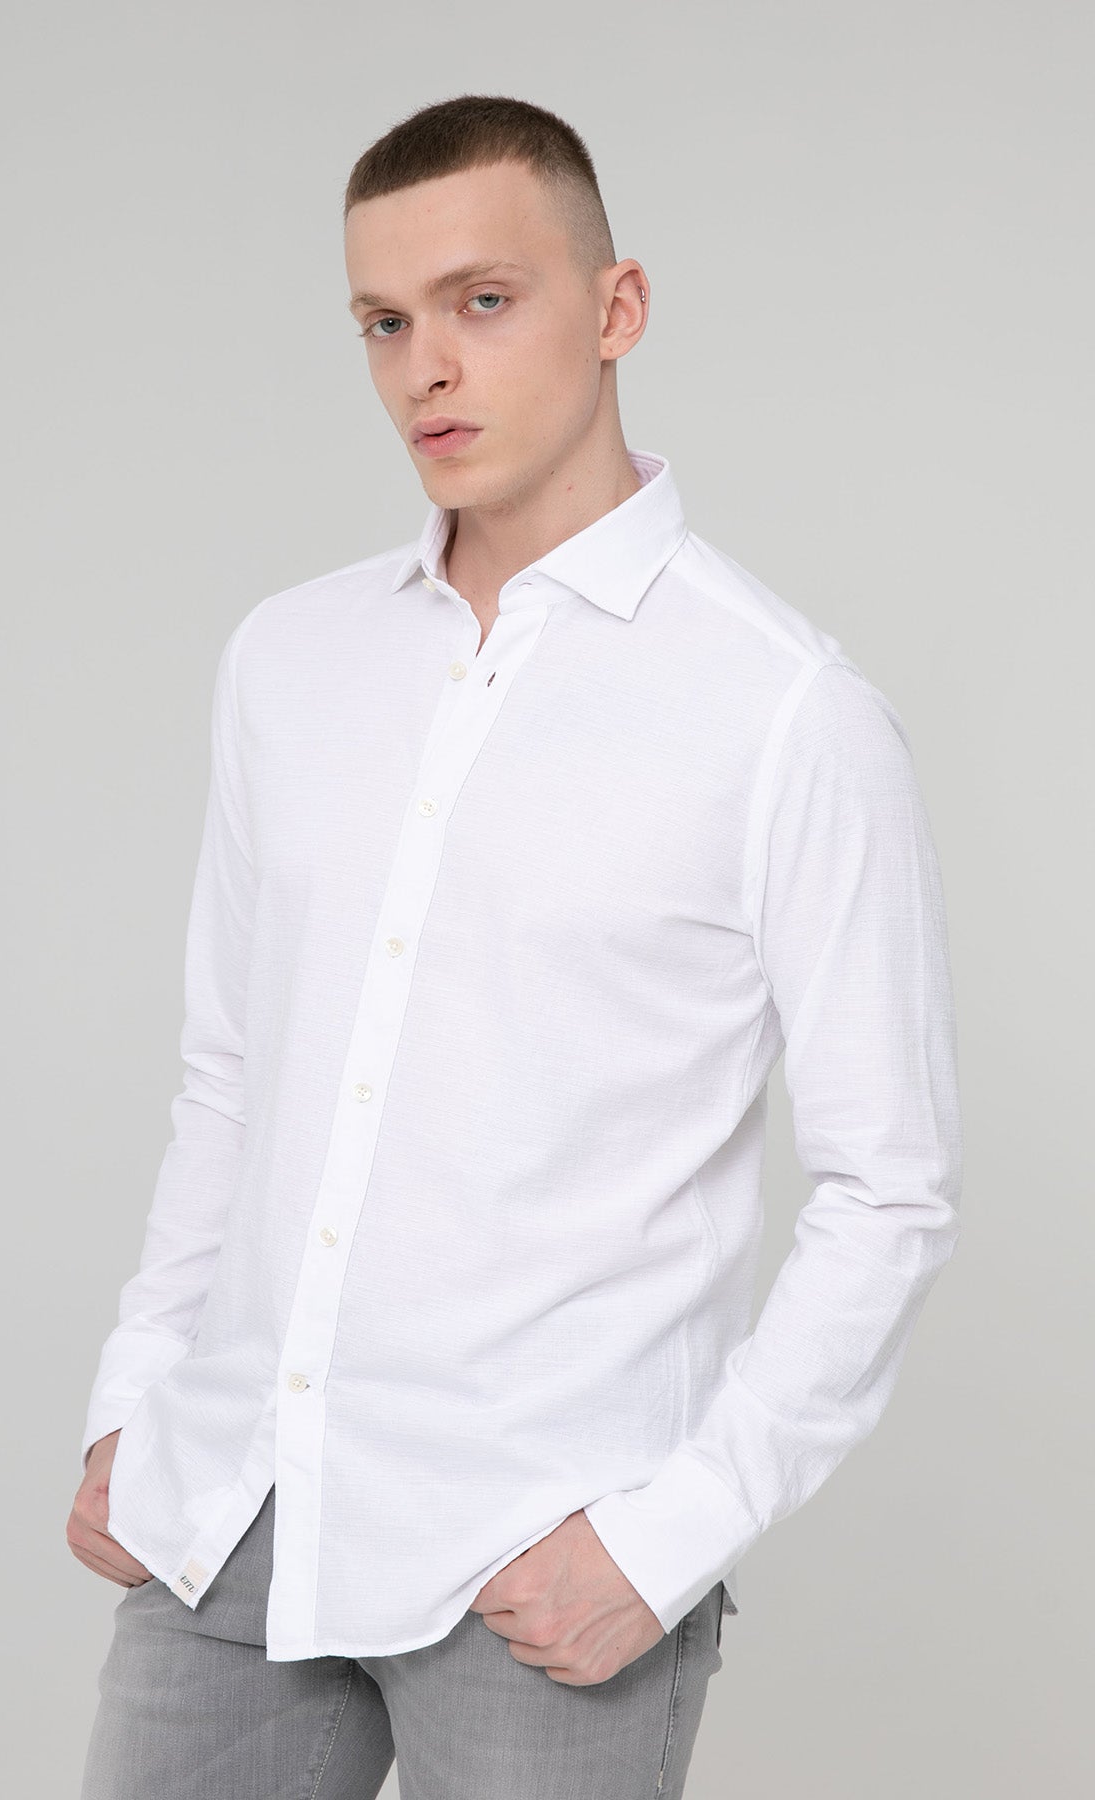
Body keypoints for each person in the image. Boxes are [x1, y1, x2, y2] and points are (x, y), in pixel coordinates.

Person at [68, 92, 963, 1800]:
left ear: (618, 307)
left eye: (484, 301)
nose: (428, 369)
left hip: (539, 1560)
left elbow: (892, 1189)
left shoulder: (785, 714)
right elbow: (232, 1075)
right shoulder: (288, 662)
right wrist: (138, 1393)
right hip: (234, 1509)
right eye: (383, 322)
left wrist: (668, 1537)